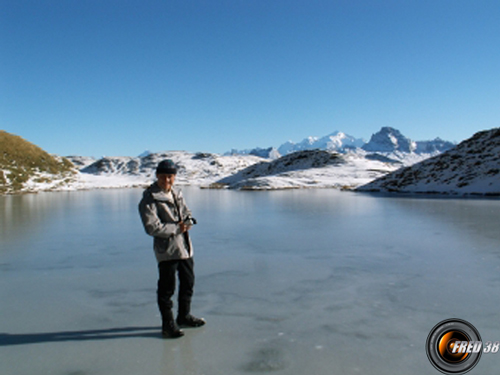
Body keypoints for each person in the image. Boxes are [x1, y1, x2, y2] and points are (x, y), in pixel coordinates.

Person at [139, 159, 205, 338]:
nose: (166, 180)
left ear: (174, 177)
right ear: (157, 176)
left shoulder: (176, 194)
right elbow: (151, 227)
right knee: (167, 289)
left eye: (169, 176)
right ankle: (168, 326)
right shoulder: (149, 199)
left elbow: (186, 212)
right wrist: (177, 228)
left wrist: (189, 221)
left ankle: (183, 316)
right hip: (167, 250)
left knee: (188, 283)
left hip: (184, 248)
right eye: (162, 177)